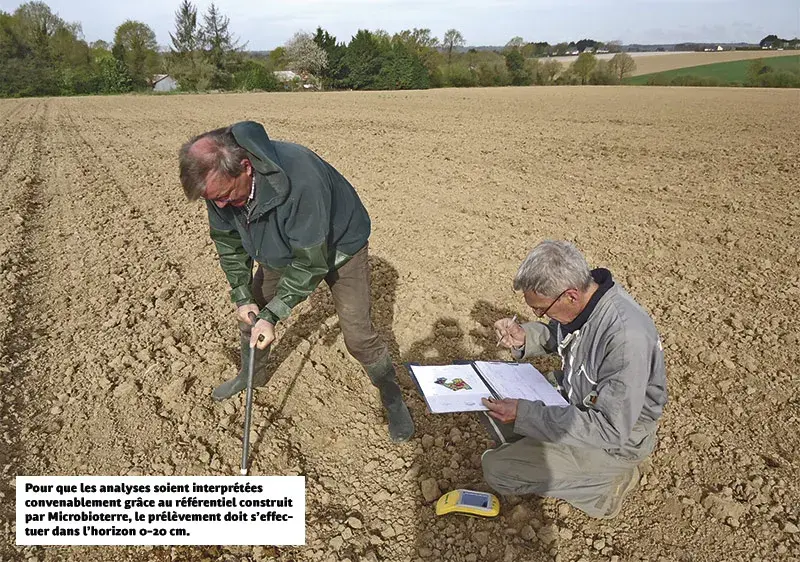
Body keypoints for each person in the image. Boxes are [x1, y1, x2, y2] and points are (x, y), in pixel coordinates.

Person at [177, 121, 414, 442]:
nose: (219, 205)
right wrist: (242, 294)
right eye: (212, 200)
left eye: (224, 196)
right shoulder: (218, 186)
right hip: (282, 246)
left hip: (339, 246)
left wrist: (274, 315)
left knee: (358, 335)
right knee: (251, 314)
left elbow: (310, 262)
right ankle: (252, 375)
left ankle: (391, 395)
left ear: (246, 168)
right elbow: (228, 242)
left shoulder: (301, 179)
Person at [482, 240, 667, 518]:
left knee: (498, 471)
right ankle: (542, 449)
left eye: (540, 310)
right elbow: (563, 335)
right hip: (575, 399)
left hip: (613, 443)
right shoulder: (585, 302)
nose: (539, 315)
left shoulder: (626, 338)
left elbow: (610, 430)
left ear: (569, 295)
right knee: (492, 406)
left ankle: (605, 488)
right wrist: (526, 336)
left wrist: (528, 415)